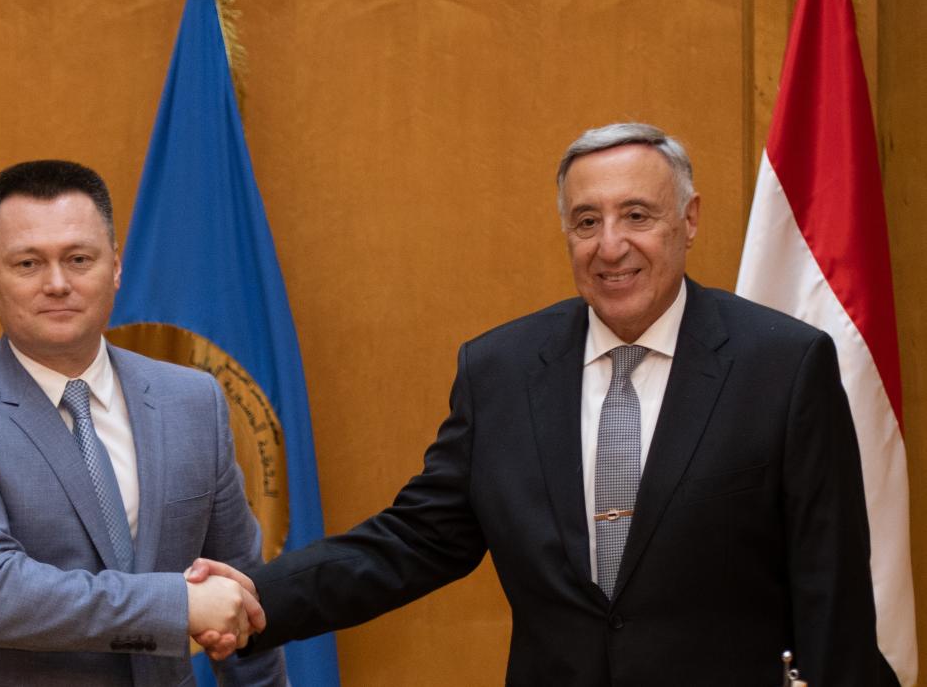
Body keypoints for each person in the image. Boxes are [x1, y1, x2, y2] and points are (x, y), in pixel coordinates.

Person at [188, 123, 898, 685]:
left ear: (689, 220)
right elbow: (415, 540)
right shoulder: (500, 371)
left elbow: (830, 584)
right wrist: (257, 599)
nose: (611, 246)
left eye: (637, 215)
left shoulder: (782, 365)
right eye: (587, 221)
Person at [0, 160, 284, 686]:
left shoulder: (193, 402)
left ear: (115, 266)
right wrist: (178, 604)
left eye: (78, 259)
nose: (57, 284)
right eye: (28, 263)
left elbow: (243, 594)